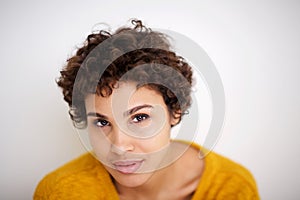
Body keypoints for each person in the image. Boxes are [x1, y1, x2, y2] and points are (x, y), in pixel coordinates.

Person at [34, 20, 260, 200]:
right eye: (101, 122)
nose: (120, 146)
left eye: (139, 117)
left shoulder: (231, 187)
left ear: (175, 112)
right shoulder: (60, 192)